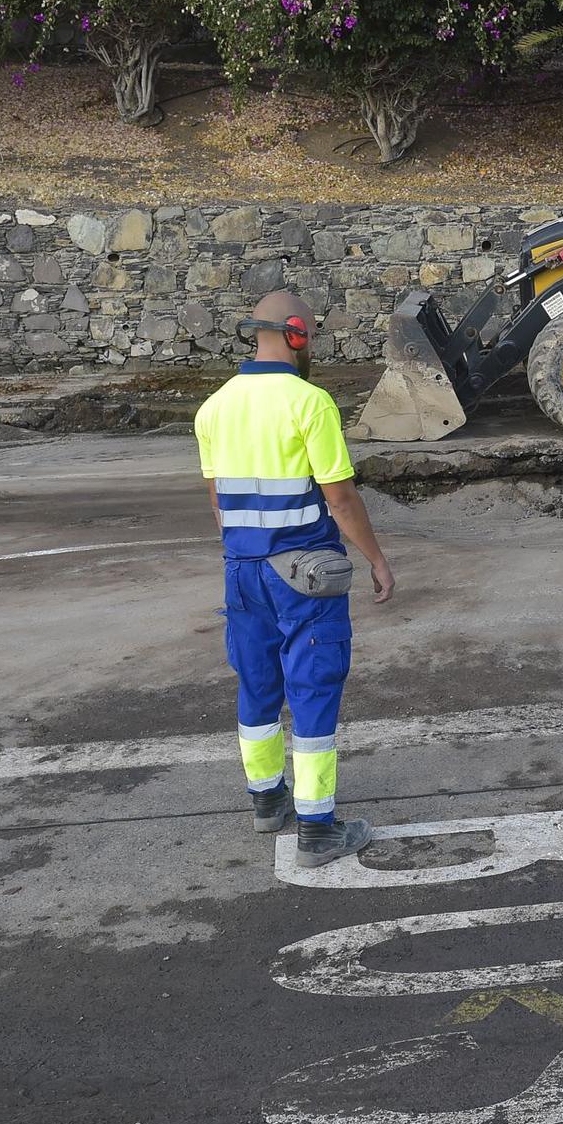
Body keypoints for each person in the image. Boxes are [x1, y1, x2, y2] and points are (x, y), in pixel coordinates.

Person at [194, 291, 396, 867]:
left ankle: (266, 801)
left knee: (257, 685)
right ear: (297, 334)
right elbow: (340, 497)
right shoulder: (310, 403)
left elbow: (220, 506)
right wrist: (377, 559)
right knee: (312, 688)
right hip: (302, 574)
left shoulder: (213, 408)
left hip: (242, 572)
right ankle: (317, 828)